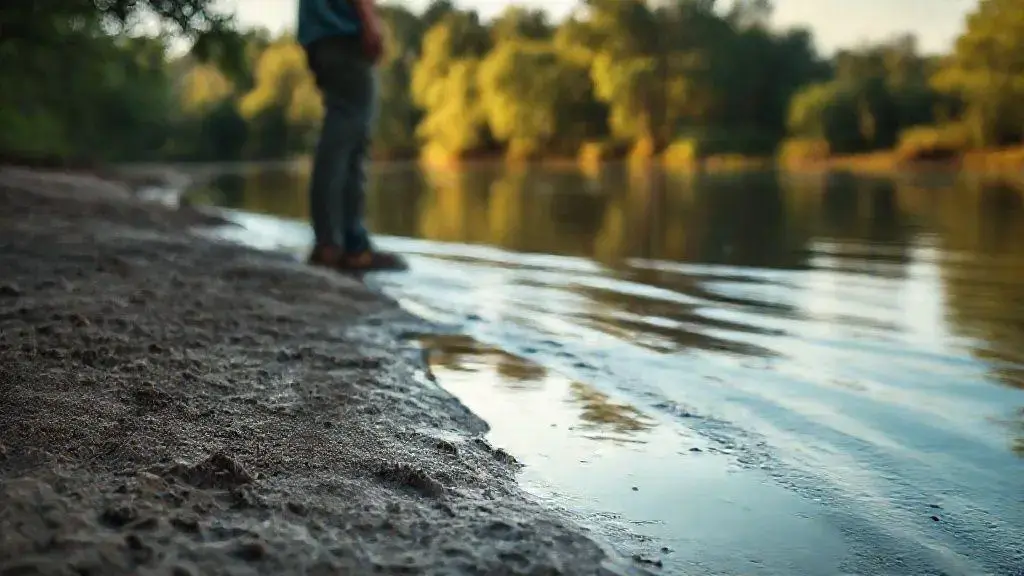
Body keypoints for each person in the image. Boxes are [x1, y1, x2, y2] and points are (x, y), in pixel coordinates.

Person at [298, 0, 407, 271]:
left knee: (342, 133)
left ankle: (342, 243)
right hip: (342, 29)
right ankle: (340, 246)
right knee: (351, 137)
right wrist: (370, 21)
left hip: (319, 33)